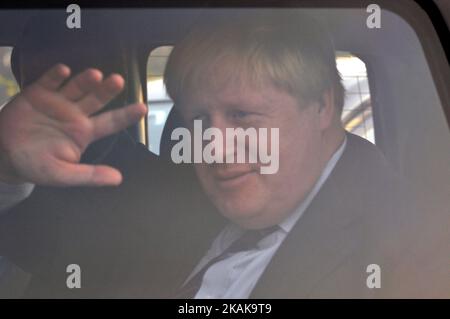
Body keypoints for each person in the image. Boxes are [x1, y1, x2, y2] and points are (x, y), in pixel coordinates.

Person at [0, 11, 434, 298]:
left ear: (322, 106)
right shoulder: (175, 200)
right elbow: (59, 255)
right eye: (200, 120)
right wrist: (8, 168)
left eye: (242, 115)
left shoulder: (409, 253)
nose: (215, 147)